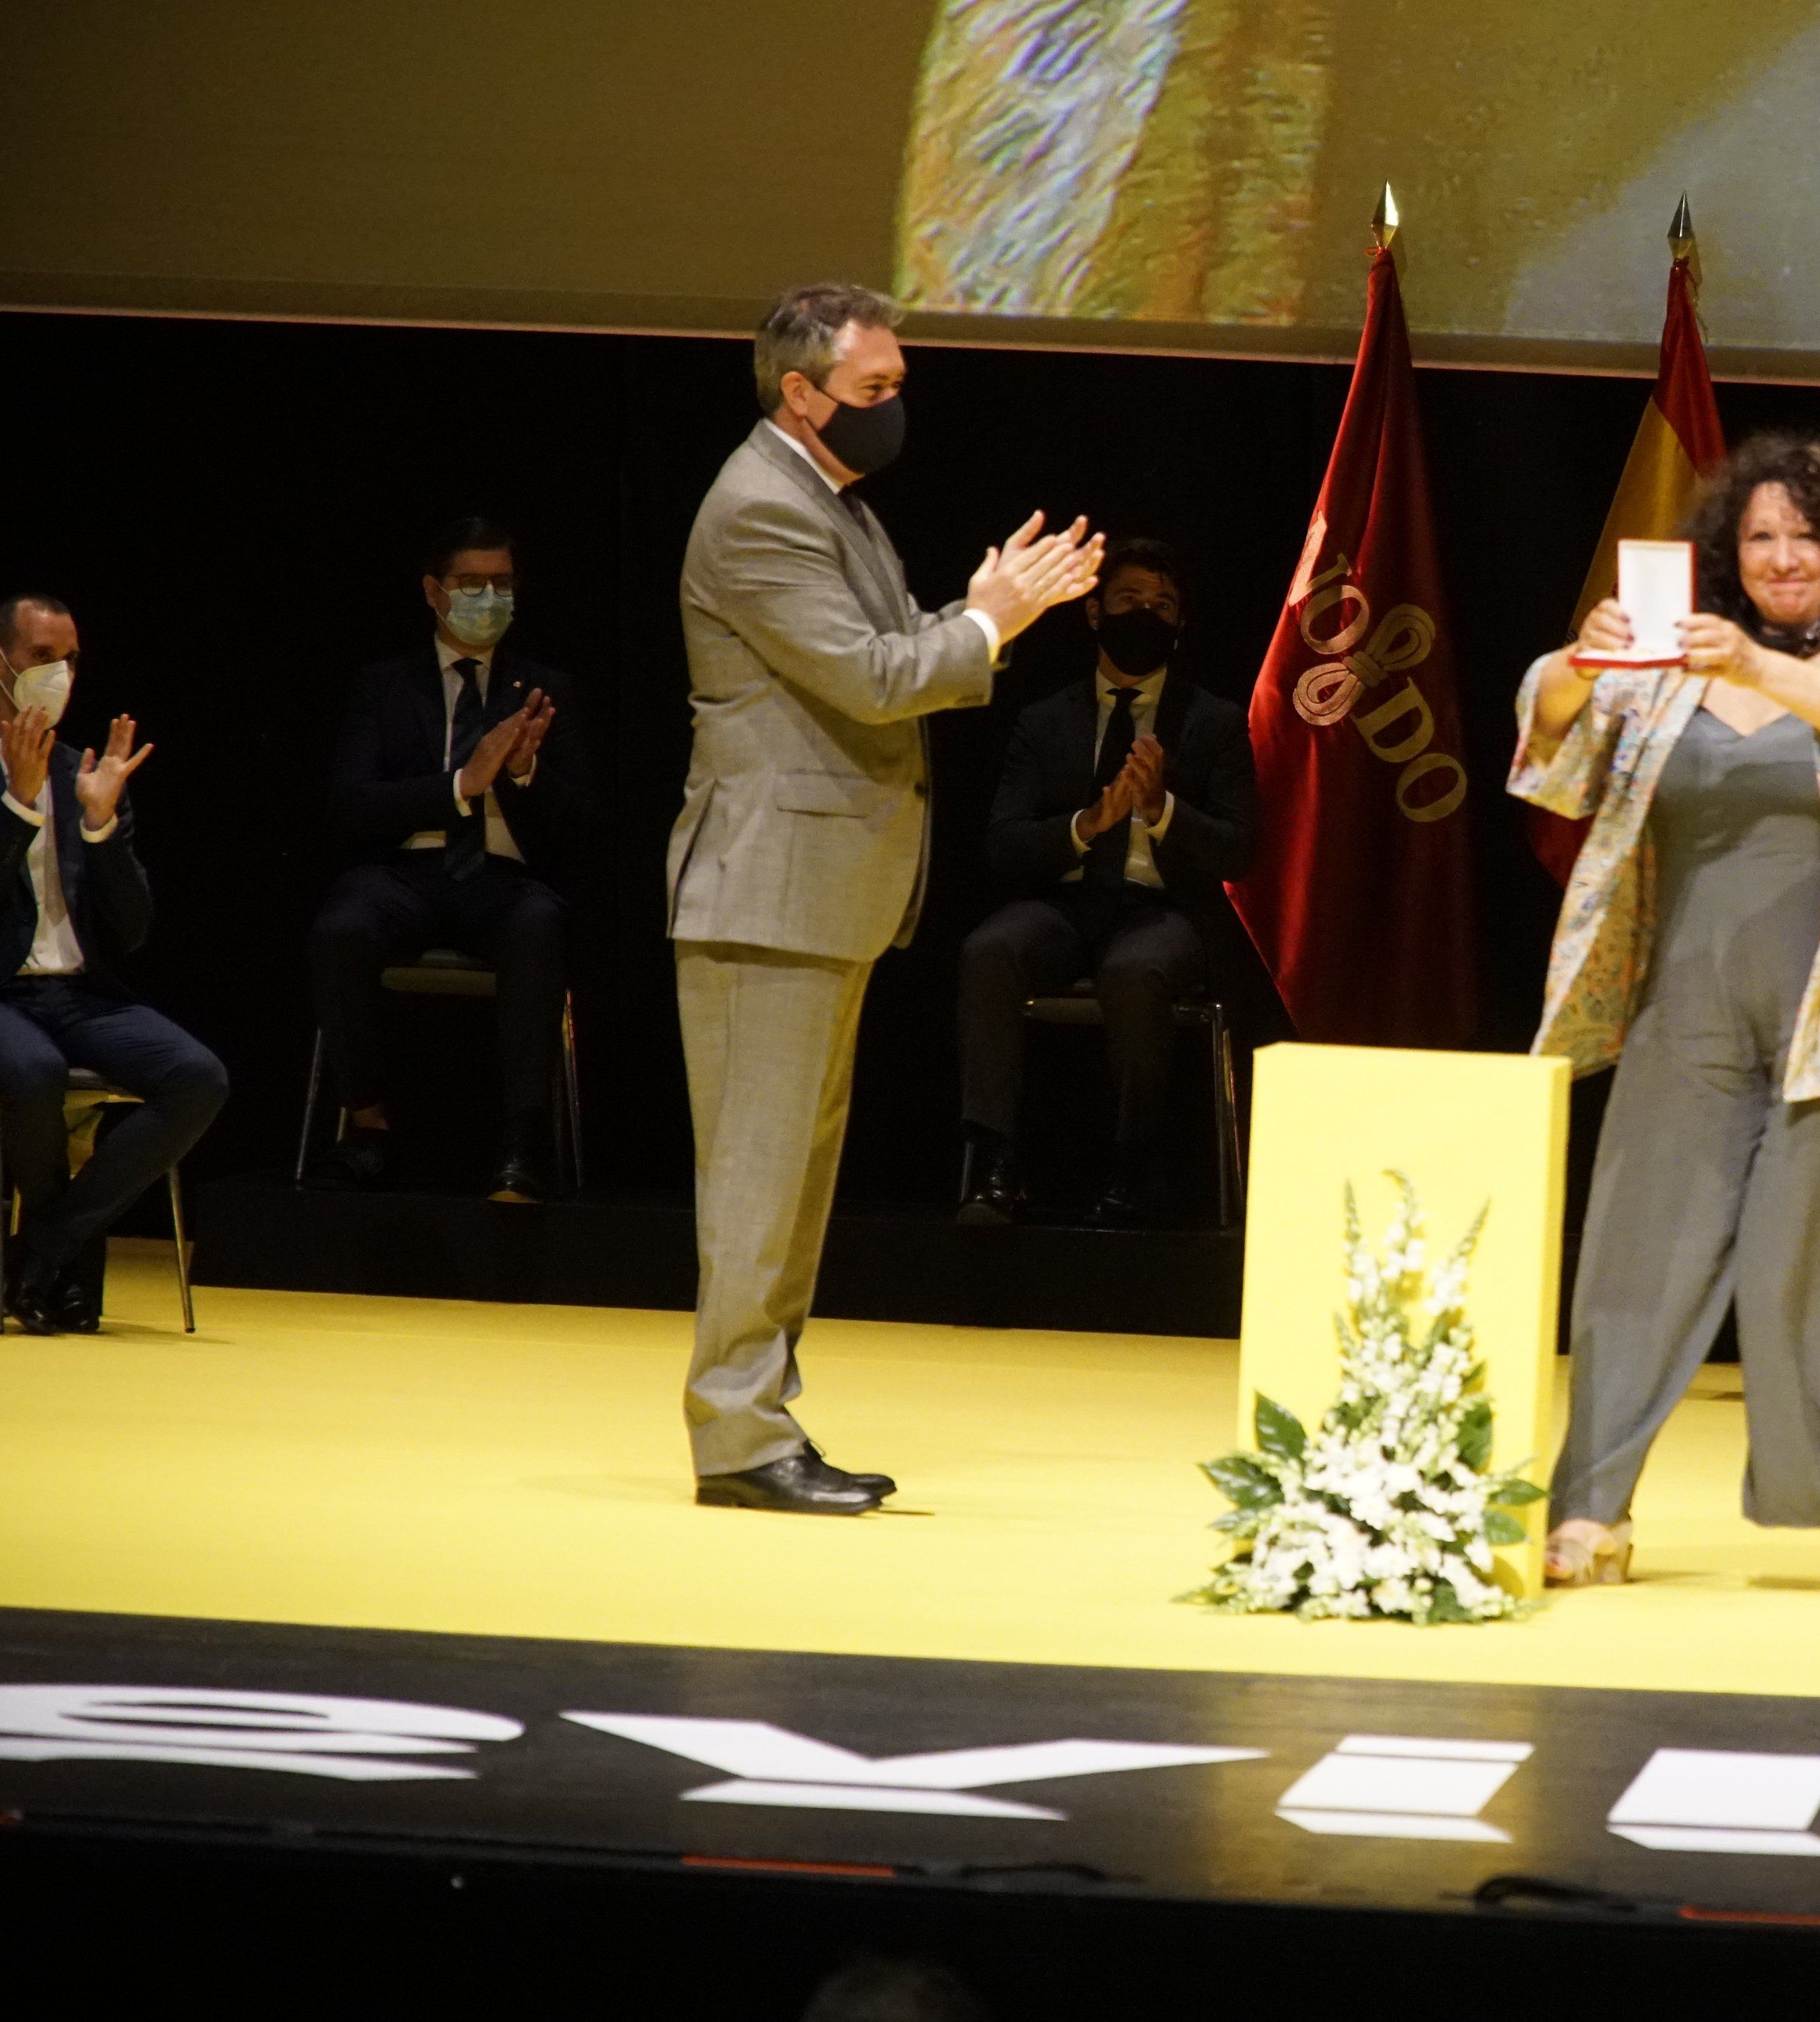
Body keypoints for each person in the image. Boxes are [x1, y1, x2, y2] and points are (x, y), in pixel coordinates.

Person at [671, 281, 1100, 1515]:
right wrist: (992, 620)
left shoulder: (824, 497)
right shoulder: (760, 509)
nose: (894, 407)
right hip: (768, 890)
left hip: (817, 892)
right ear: (800, 394)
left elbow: (889, 642)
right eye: (873, 391)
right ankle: (738, 1436)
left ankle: (761, 1420)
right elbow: (870, 680)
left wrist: (977, 609)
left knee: (792, 1181)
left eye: (900, 385)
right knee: (757, 1183)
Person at [1510, 432, 1820, 1597]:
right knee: (1634, 1254)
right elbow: (1547, 736)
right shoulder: (1666, 667)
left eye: (1805, 534)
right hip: (1688, 1011)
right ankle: (1590, 1507)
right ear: (1728, 553)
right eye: (1759, 536)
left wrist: (1755, 668)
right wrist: (1582, 658)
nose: (1781, 556)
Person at [957, 537, 1257, 1227]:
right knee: (992, 950)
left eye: (1163, 605)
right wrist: (1088, 823)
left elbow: (1239, 850)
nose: (1145, 614)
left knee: (1136, 969)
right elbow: (1002, 845)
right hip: (1063, 904)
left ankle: (1134, 1166)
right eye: (1128, 600)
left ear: (1181, 625)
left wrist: (1162, 810)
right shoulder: (1043, 718)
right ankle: (994, 1164)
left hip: (1164, 909)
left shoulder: (1213, 722)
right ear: (1094, 613)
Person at [307, 517, 579, 1199]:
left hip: (502, 876)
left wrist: (520, 777)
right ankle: (367, 1125)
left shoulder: (544, 691)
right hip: (403, 872)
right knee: (341, 928)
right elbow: (351, 806)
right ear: (434, 591)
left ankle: (522, 1144)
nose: (488, 597)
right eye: (470, 584)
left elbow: (584, 828)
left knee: (540, 924)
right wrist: (462, 785)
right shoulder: (384, 686)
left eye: (502, 584)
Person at [0, 595, 228, 1333]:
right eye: (41, 658)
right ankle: (63, 1273)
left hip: (83, 993)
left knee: (198, 1077)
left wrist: (99, 827)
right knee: (32, 1073)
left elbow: (135, 927)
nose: (60, 674)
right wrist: (17, 808)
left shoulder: (83, 769)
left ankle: (41, 1252)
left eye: (71, 659)